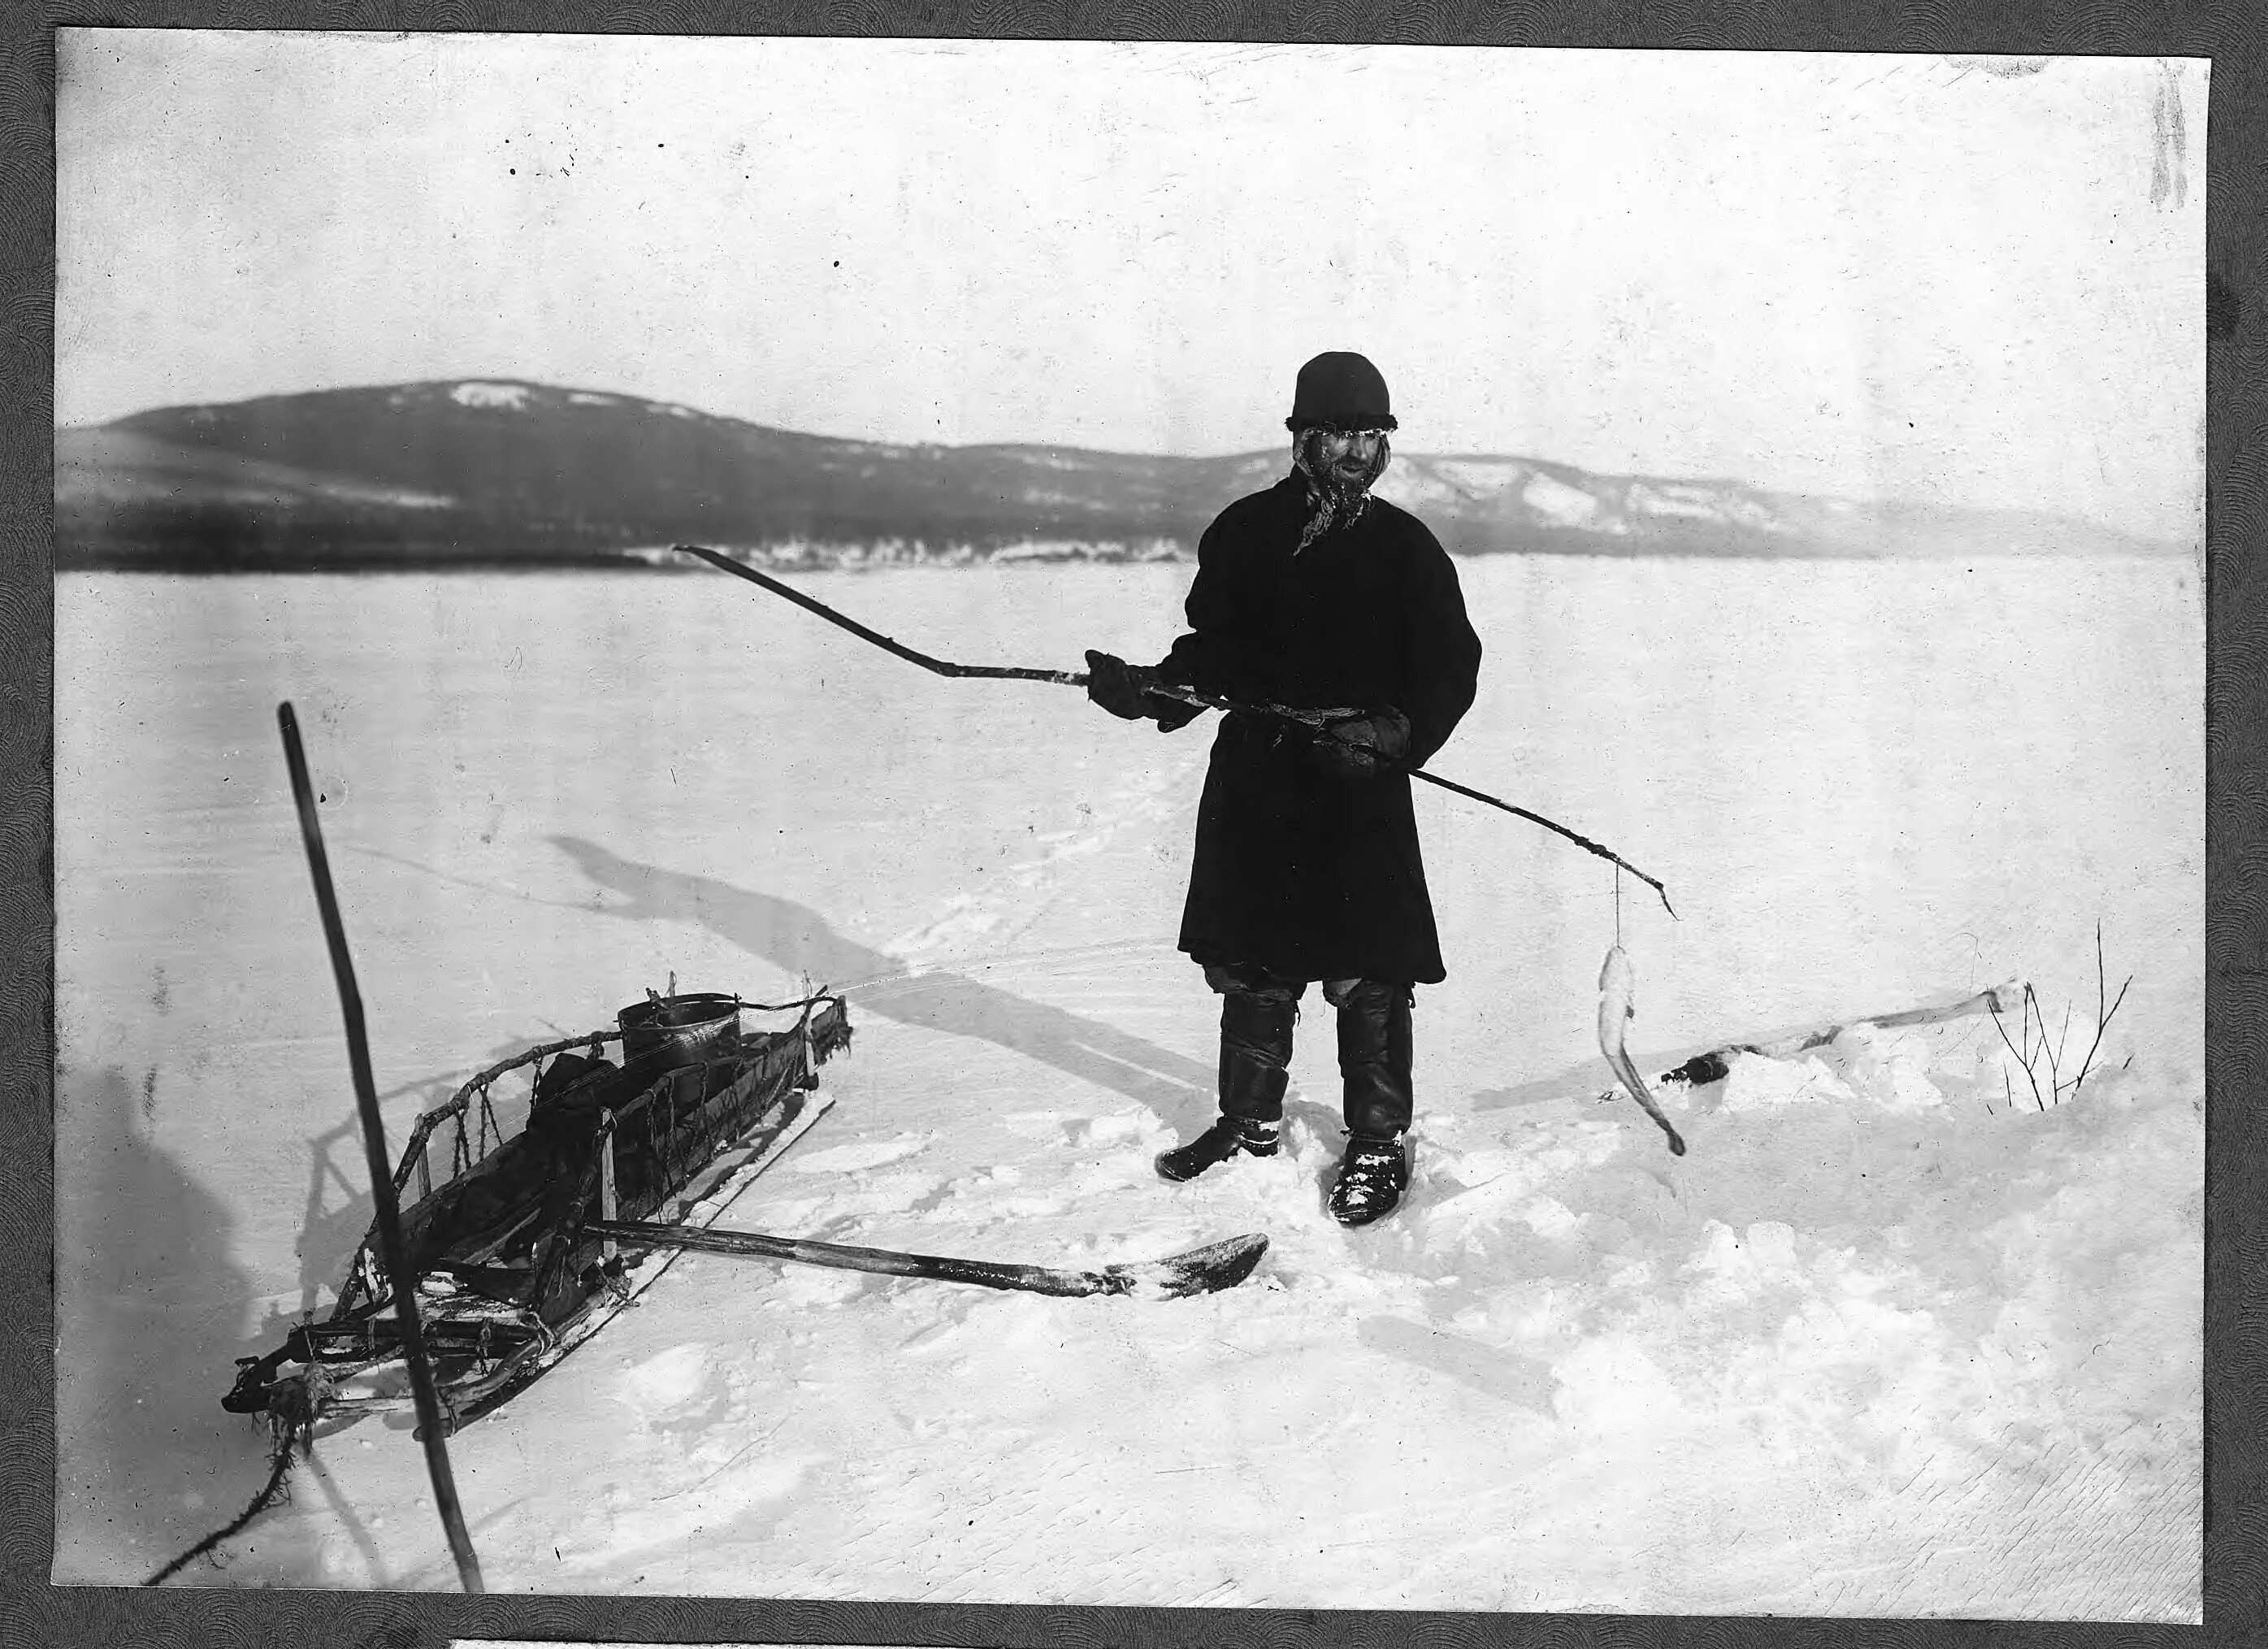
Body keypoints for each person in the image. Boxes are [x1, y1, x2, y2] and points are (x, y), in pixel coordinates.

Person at [1084, 351, 1483, 1226]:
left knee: (1367, 971)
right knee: (1254, 962)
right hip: (1260, 773)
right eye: (1340, 431)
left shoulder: (1407, 548)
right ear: (1300, 436)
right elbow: (1216, 652)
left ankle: (1377, 1139)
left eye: (1373, 435)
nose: (1358, 450)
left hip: (1357, 780)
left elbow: (1452, 667)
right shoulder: (1243, 532)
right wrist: (1152, 688)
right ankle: (1247, 1122)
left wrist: (1394, 734)